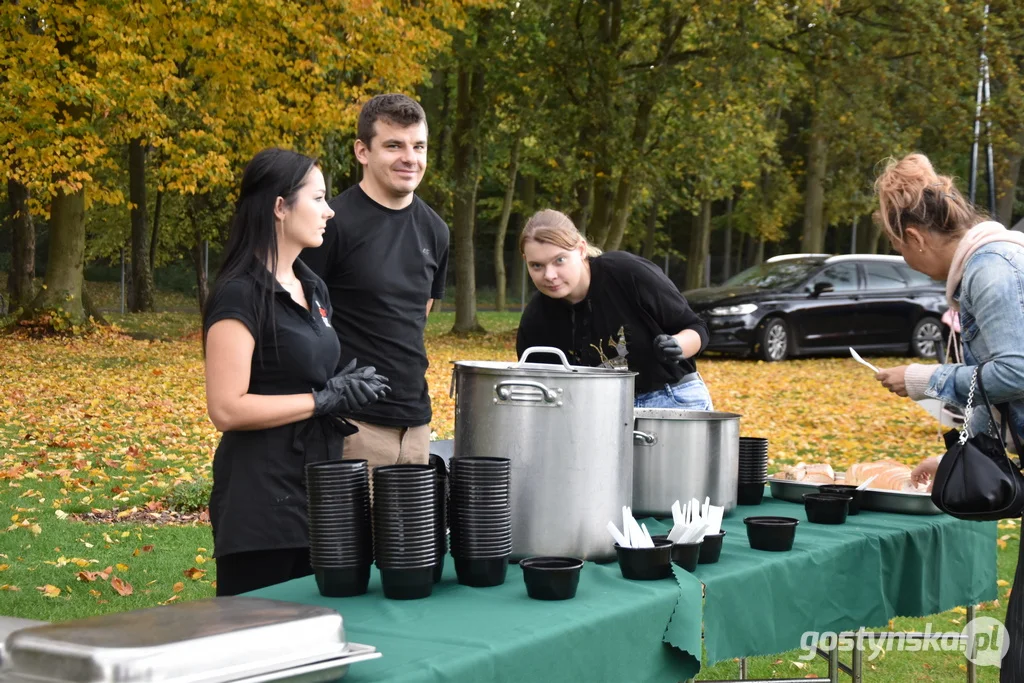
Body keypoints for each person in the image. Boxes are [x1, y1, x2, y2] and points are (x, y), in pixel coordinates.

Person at [203, 148, 389, 596]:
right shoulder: (238, 294)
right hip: (261, 501)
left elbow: (299, 368)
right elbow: (226, 408)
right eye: (319, 198)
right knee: (262, 640)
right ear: (280, 207)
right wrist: (321, 400)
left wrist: (343, 386)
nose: (330, 211)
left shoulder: (313, 285)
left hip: (323, 489)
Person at [871, 152, 1024, 682]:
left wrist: (926, 379)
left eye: (895, 245)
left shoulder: (991, 269)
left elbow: (1017, 370)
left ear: (914, 236)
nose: (902, 255)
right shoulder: (990, 261)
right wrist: (959, 453)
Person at [303, 94, 449, 470]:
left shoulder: (436, 230)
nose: (410, 158)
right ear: (362, 151)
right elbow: (299, 323)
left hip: (416, 424)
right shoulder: (330, 225)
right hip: (350, 424)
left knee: (409, 533)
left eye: (418, 146)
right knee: (346, 533)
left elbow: (417, 318)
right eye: (393, 145)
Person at [515, 209, 713, 409]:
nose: (549, 275)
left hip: (671, 399)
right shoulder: (536, 319)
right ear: (526, 262)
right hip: (593, 411)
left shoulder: (626, 273)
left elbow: (697, 329)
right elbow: (540, 391)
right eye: (537, 266)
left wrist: (678, 344)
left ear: (581, 249)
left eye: (559, 260)